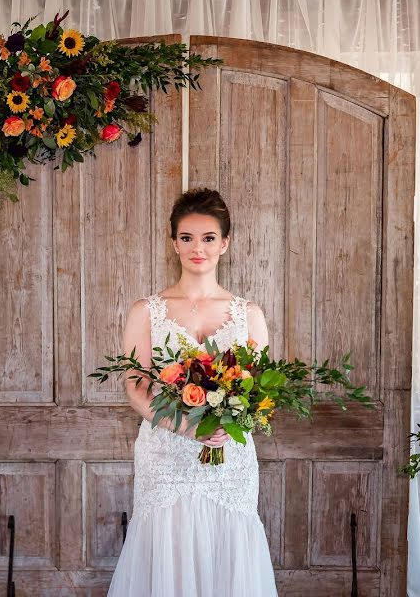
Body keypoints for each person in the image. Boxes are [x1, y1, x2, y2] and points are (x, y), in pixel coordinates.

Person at [107, 188, 278, 596]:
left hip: (229, 457)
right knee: (170, 549)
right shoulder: (146, 311)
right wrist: (185, 428)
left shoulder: (248, 314)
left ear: (225, 243)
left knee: (229, 544)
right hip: (166, 454)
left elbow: (259, 391)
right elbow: (135, 385)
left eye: (207, 238)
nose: (196, 248)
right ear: (173, 243)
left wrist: (235, 419)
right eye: (186, 238)